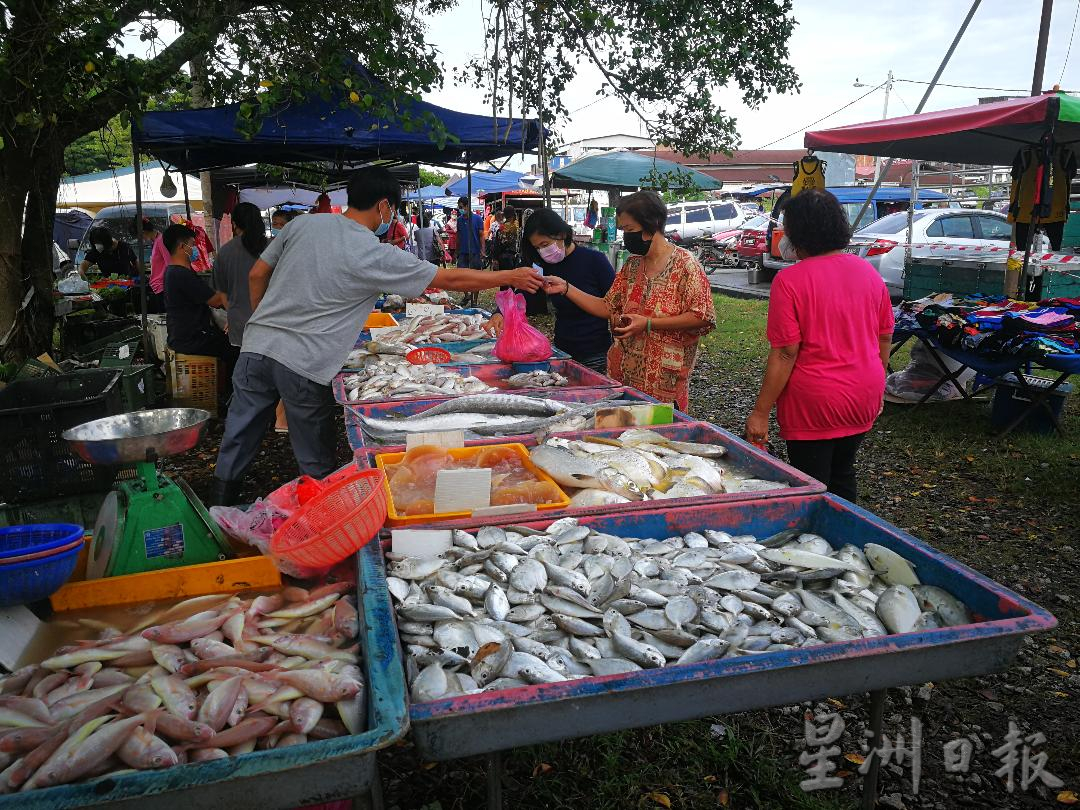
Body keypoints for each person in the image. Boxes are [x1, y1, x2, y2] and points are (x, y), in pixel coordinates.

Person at [211, 166, 544, 505]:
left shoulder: (303, 224)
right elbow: (449, 280)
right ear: (384, 206)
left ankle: (219, 509)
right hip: (304, 361)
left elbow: (257, 274)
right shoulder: (372, 252)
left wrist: (263, 322)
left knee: (239, 432)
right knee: (314, 453)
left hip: (256, 346)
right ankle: (324, 517)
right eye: (394, 209)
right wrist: (508, 276)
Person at [744, 189, 893, 504]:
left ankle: (817, 543)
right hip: (865, 392)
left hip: (816, 402)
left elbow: (786, 352)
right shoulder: (869, 272)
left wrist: (760, 413)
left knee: (811, 486)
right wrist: (877, 386)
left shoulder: (790, 281)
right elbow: (884, 336)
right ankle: (849, 542)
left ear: (799, 231)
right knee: (843, 473)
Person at [542, 191, 715, 410]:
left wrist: (649, 323)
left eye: (630, 230)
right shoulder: (632, 266)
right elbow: (607, 306)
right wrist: (566, 288)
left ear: (652, 225)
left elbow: (702, 315)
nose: (626, 236)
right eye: (623, 230)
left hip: (664, 382)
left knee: (657, 440)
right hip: (624, 377)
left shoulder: (685, 265)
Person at [488, 208, 615, 373]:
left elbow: (615, 303)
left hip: (596, 354)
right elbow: (524, 292)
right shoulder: (543, 265)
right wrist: (501, 312)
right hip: (562, 351)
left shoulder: (594, 261)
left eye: (545, 244)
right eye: (537, 248)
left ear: (561, 234)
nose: (543, 251)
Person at [213, 202, 289, 433]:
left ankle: (251, 423)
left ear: (235, 225)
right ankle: (279, 419)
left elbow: (222, 295)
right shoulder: (272, 248)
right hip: (274, 323)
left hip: (241, 326)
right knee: (276, 373)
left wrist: (234, 311)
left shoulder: (225, 253)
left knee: (248, 379)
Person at [162, 223, 234, 363]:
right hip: (191, 340)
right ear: (182, 246)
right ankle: (230, 384)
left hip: (182, 336)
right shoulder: (181, 274)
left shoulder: (172, 271)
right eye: (193, 244)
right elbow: (216, 301)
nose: (195, 249)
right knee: (235, 347)